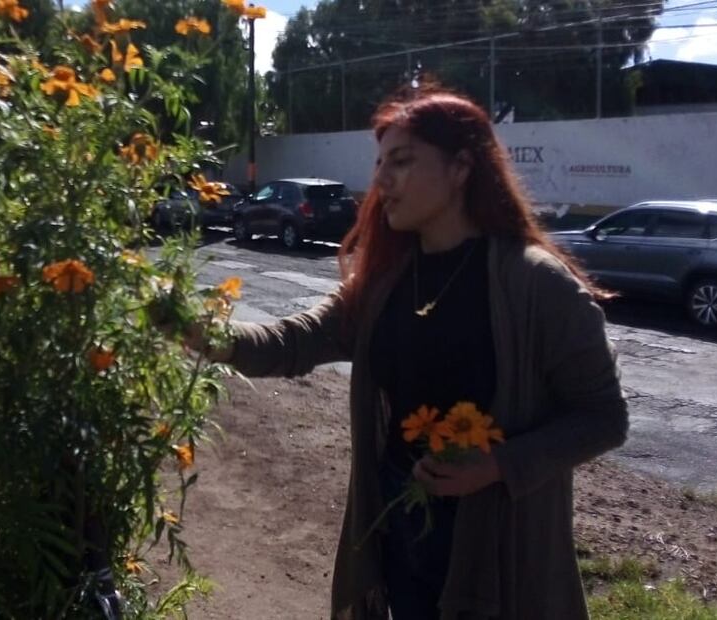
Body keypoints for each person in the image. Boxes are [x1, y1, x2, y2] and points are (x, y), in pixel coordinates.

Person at [188, 89, 628, 619]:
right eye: (379, 165)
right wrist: (204, 334)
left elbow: (604, 417)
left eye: (401, 162)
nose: (381, 181)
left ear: (461, 167)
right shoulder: (386, 280)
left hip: (495, 545)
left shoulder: (536, 284)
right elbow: (294, 340)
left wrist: (497, 465)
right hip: (401, 528)